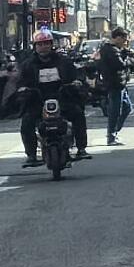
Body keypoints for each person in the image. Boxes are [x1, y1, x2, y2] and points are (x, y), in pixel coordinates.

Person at [17, 28, 94, 167]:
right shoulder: (28, 65)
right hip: (38, 101)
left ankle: (81, 148)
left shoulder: (63, 61)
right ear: (35, 46)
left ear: (51, 44)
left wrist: (76, 82)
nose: (43, 47)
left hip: (63, 98)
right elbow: (21, 81)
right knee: (27, 122)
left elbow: (76, 74)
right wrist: (23, 89)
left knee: (78, 114)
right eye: (40, 44)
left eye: (46, 43)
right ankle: (31, 155)